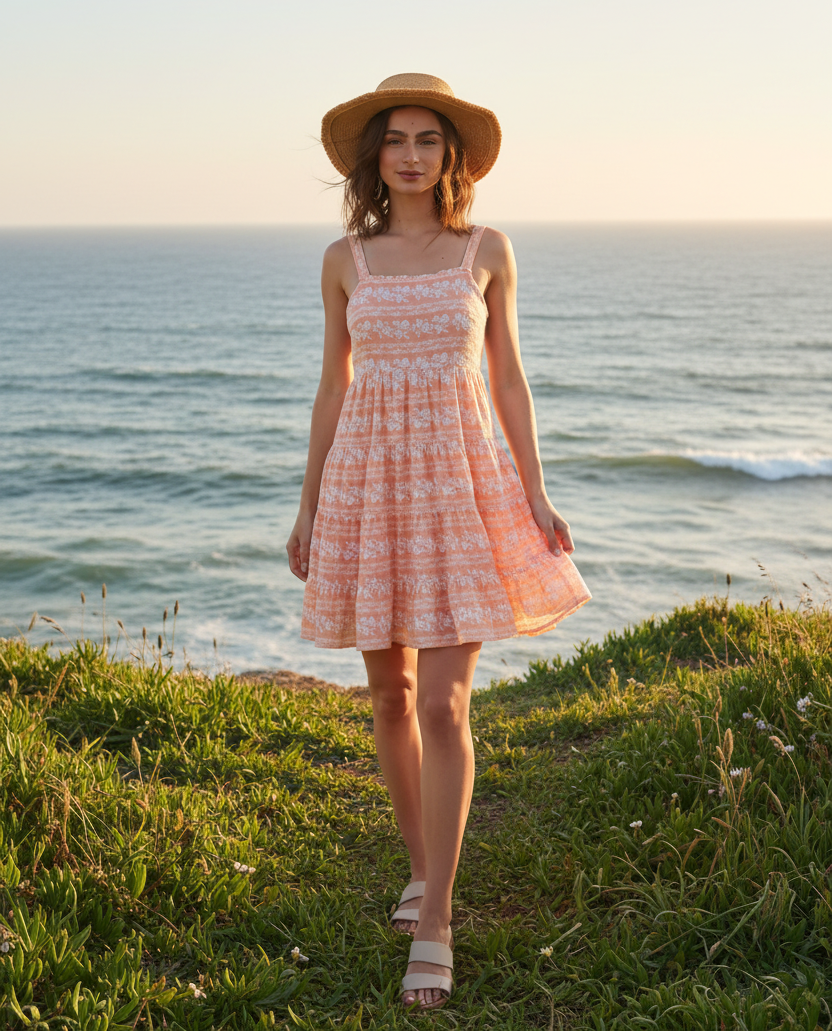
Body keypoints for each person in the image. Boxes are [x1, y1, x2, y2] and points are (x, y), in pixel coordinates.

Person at [286, 72, 591, 1011]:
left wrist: (535, 492)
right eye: (397, 140)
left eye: (428, 139)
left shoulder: (485, 250)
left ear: (450, 156)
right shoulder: (346, 260)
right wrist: (306, 507)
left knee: (447, 708)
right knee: (389, 695)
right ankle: (421, 867)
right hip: (369, 483)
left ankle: (437, 919)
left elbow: (507, 378)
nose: (411, 154)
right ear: (375, 156)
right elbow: (333, 388)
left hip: (460, 482)